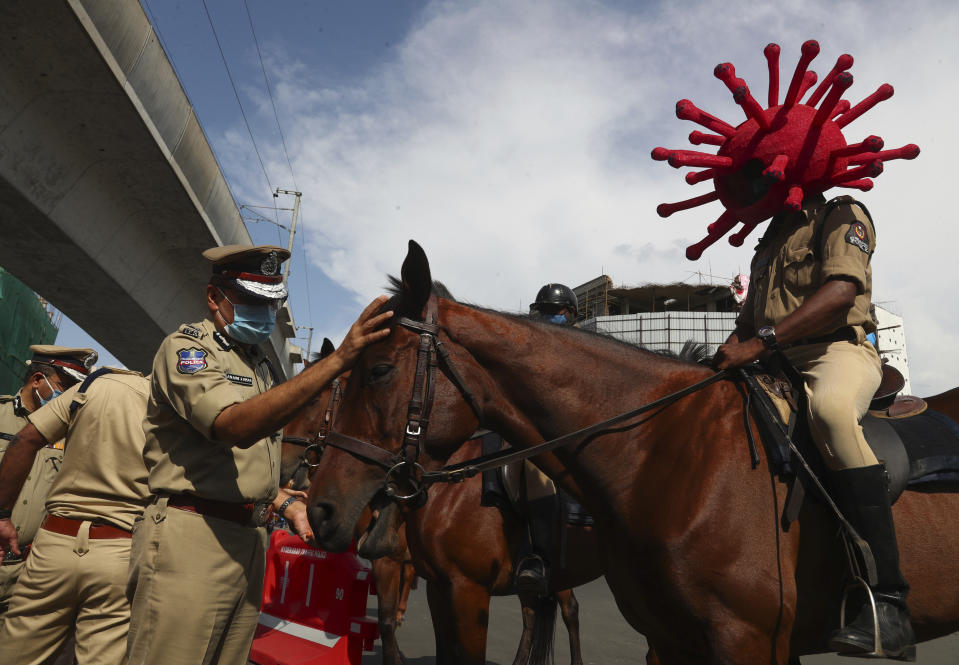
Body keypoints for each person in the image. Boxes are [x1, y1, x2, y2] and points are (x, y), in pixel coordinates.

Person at [125, 244, 392, 665]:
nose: (263, 314)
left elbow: (247, 465)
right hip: (192, 536)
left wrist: (284, 502)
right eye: (251, 301)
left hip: (248, 539)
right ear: (215, 298)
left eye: (271, 303)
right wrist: (338, 360)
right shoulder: (189, 350)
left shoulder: (257, 365)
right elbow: (234, 426)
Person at [714, 193, 914, 655]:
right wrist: (718, 363)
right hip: (773, 358)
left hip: (835, 350)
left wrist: (761, 342)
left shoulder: (840, 214)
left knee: (830, 413)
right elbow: (747, 322)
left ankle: (888, 602)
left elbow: (841, 292)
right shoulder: (767, 242)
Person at [0, 345, 96, 626]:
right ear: (37, 380)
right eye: (64, 386)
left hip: (27, 572)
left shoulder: (71, 434)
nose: (69, 397)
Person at [514, 283, 578, 595]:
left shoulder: (580, 348)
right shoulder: (531, 348)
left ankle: (537, 557)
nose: (548, 317)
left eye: (555, 312)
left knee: (536, 469)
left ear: (571, 314)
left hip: (568, 432)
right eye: (544, 312)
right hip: (531, 428)